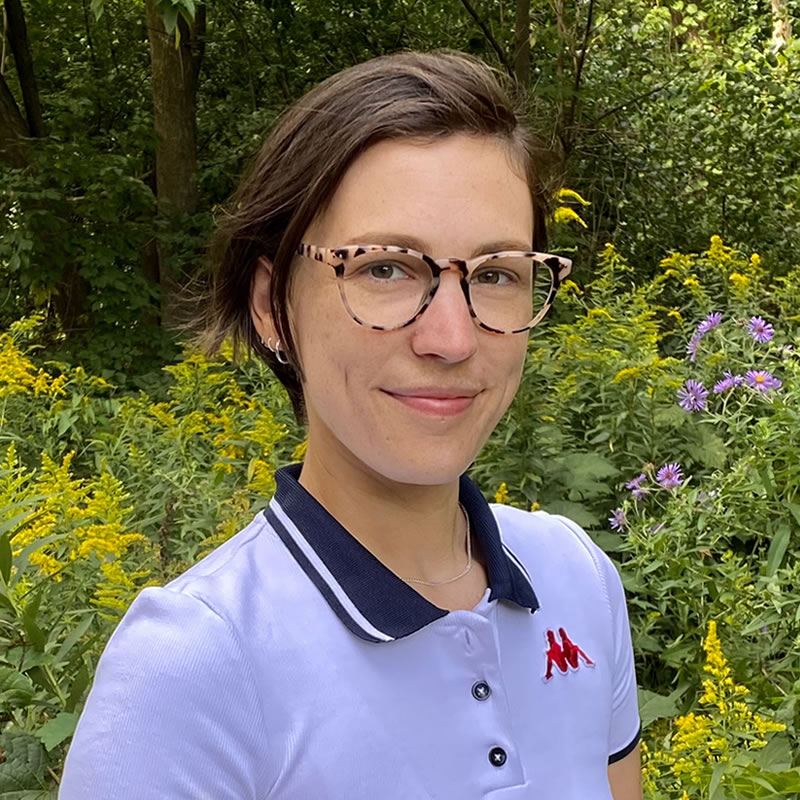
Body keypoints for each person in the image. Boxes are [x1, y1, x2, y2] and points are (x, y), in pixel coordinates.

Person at [59, 50, 642, 799]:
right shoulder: (191, 669)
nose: (452, 339)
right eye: (385, 267)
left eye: (496, 273)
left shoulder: (578, 580)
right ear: (272, 306)